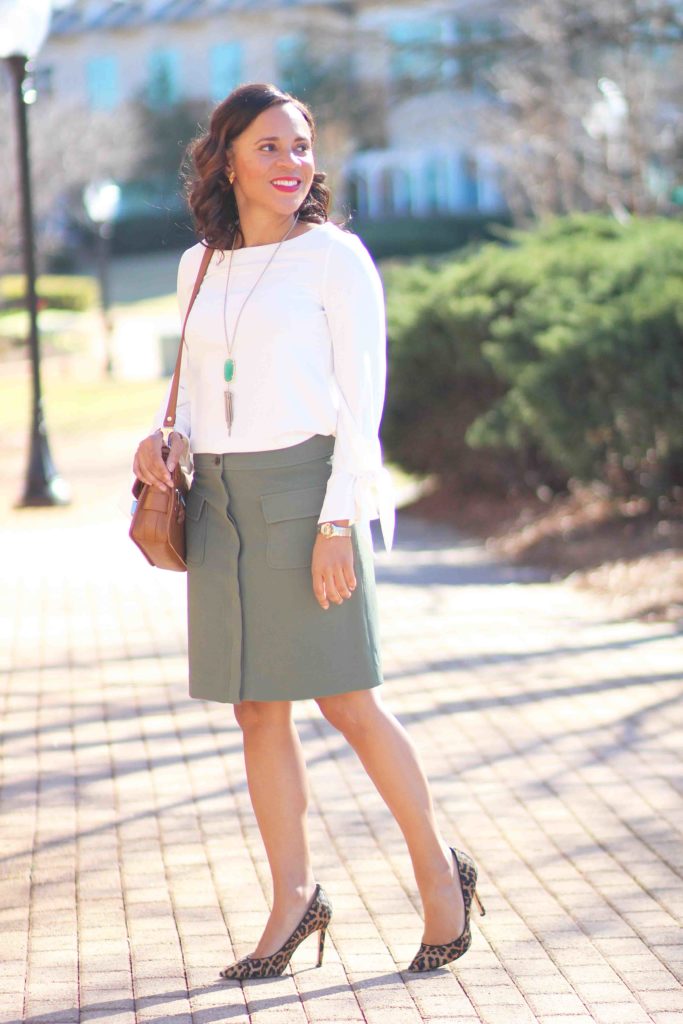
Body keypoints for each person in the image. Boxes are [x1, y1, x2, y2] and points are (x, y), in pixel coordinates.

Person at [132, 82, 484, 980]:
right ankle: (294, 902)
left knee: (348, 701)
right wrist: (165, 438)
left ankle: (439, 875)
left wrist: (339, 521)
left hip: (307, 496)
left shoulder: (336, 259)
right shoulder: (199, 265)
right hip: (219, 503)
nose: (292, 163)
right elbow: (209, 391)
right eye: (269, 148)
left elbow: (360, 405)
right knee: (256, 710)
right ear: (227, 162)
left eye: (302, 145)